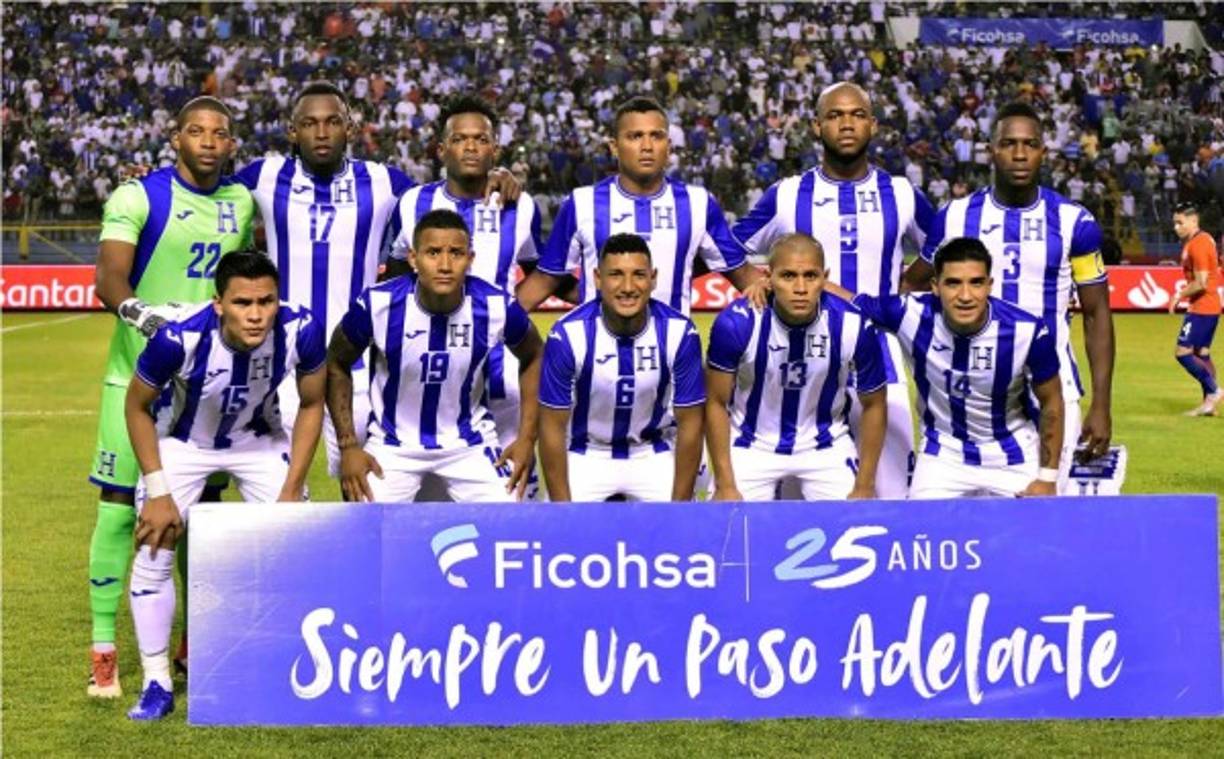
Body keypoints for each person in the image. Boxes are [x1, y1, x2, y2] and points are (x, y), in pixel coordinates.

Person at [233, 81, 520, 482]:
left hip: (356, 365)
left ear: (350, 129)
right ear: (291, 131)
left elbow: (445, 193)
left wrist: (498, 174)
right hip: (281, 357)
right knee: (276, 484)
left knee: (363, 479)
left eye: (333, 122)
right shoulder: (263, 175)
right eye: (310, 123)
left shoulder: (385, 182)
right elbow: (204, 189)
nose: (321, 132)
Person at [86, 96, 255, 697]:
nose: (208, 141)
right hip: (134, 377)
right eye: (196, 131)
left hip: (202, 389)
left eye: (220, 133)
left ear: (231, 144)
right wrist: (144, 315)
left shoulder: (241, 201)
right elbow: (107, 277)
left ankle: (190, 642)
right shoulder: (136, 196)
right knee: (117, 509)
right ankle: (103, 649)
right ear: (175, 137)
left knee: (197, 519)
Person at [122, 251, 325, 719]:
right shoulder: (179, 340)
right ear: (219, 304)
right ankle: (157, 683)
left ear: (278, 300)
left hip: (258, 441)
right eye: (242, 303)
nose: (255, 315)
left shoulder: (301, 330)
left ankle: (280, 665)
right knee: (157, 538)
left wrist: (293, 488)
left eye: (265, 301)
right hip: (183, 443)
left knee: (297, 539)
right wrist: (157, 491)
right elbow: (135, 408)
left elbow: (312, 403)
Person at [732, 82, 935, 500]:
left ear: (873, 126)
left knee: (891, 490)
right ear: (816, 127)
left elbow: (944, 251)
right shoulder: (787, 195)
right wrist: (758, 281)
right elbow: (726, 249)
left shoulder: (901, 194)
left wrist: (908, 286)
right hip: (799, 356)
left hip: (880, 354)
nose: (847, 123)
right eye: (835, 115)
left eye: (857, 115)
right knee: (793, 498)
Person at [905, 101, 1115, 491]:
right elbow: (914, 285)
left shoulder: (1075, 222)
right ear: (992, 150)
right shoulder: (954, 216)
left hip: (1054, 390)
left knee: (1043, 516)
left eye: (1030, 144)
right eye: (1009, 144)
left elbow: (1096, 312)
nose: (1020, 154)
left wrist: (1101, 404)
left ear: (1043, 152)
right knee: (956, 519)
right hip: (979, 392)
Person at [387, 95, 546, 497]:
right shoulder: (413, 204)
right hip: (431, 375)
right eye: (460, 139)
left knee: (511, 502)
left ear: (495, 148)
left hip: (502, 378)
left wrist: (513, 312)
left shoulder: (521, 206)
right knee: (426, 503)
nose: (471, 147)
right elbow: (396, 285)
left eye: (481, 139)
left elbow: (540, 269)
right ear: (442, 150)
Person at [327, 209, 543, 502]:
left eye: (455, 253)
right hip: (392, 445)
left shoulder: (495, 305)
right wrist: (349, 446)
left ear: (470, 259)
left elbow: (535, 355)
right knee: (365, 520)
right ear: (413, 259)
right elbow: (336, 362)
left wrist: (526, 439)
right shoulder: (378, 304)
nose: (444, 264)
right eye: (433, 253)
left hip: (470, 444)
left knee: (508, 517)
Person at [844, 238, 1064, 498]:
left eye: (976, 283)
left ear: (989, 285)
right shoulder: (909, 313)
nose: (965, 296)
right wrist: (811, 282)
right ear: (935, 286)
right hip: (942, 455)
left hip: (1014, 455)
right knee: (924, 533)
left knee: (1033, 534)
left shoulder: (1027, 332)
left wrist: (1047, 478)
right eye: (953, 283)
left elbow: (1052, 402)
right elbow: (853, 302)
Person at [516, 96, 763, 316]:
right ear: (614, 146)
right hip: (596, 360)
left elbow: (741, 274)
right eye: (635, 136)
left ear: (669, 146)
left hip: (671, 358)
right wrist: (493, 322)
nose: (647, 146)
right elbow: (546, 279)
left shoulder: (698, 203)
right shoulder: (582, 203)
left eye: (656, 136)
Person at [705, 234, 887, 501]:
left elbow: (875, 404)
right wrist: (724, 482)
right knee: (726, 527)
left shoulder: (852, 325)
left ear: (824, 278)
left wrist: (865, 485)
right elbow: (715, 402)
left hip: (827, 444)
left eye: (810, 276)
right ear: (768, 278)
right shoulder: (737, 324)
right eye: (788, 276)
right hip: (750, 444)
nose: (800, 288)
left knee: (856, 522)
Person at [538, 233, 706, 502]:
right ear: (597, 279)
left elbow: (691, 423)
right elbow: (551, 427)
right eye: (615, 274)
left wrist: (681, 507)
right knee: (562, 537)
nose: (628, 287)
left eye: (638, 275)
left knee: (684, 534)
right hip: (585, 451)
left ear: (653, 278)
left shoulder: (680, 332)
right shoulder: (567, 336)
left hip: (652, 450)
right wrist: (562, 512)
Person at [1168, 201, 1222, 415]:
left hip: (1202, 307)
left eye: (1180, 223)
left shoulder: (1198, 244)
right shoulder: (1201, 239)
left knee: (1183, 353)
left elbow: (1201, 282)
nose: (1176, 227)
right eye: (1174, 223)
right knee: (1202, 354)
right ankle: (1209, 404)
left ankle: (1214, 390)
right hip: (1210, 306)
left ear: (1193, 221)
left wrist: (1178, 295)